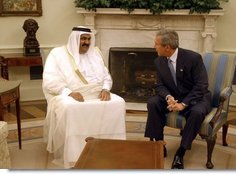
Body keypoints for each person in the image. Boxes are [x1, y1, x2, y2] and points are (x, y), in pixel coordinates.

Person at [43, 26, 126, 168]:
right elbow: (50, 80)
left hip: (97, 93)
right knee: (70, 107)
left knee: (119, 102)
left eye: (88, 39)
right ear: (75, 38)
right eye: (83, 38)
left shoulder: (95, 53)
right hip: (69, 94)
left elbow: (106, 77)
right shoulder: (57, 54)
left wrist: (106, 89)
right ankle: (75, 153)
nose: (86, 42)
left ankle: (111, 148)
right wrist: (69, 93)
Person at [144, 29, 211, 169]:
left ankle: (181, 153)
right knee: (153, 102)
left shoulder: (193, 58)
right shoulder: (159, 61)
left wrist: (183, 104)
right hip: (174, 96)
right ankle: (159, 144)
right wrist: (169, 97)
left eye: (156, 44)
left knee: (197, 112)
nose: (153, 46)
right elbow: (160, 85)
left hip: (196, 97)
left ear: (167, 47)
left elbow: (202, 85)